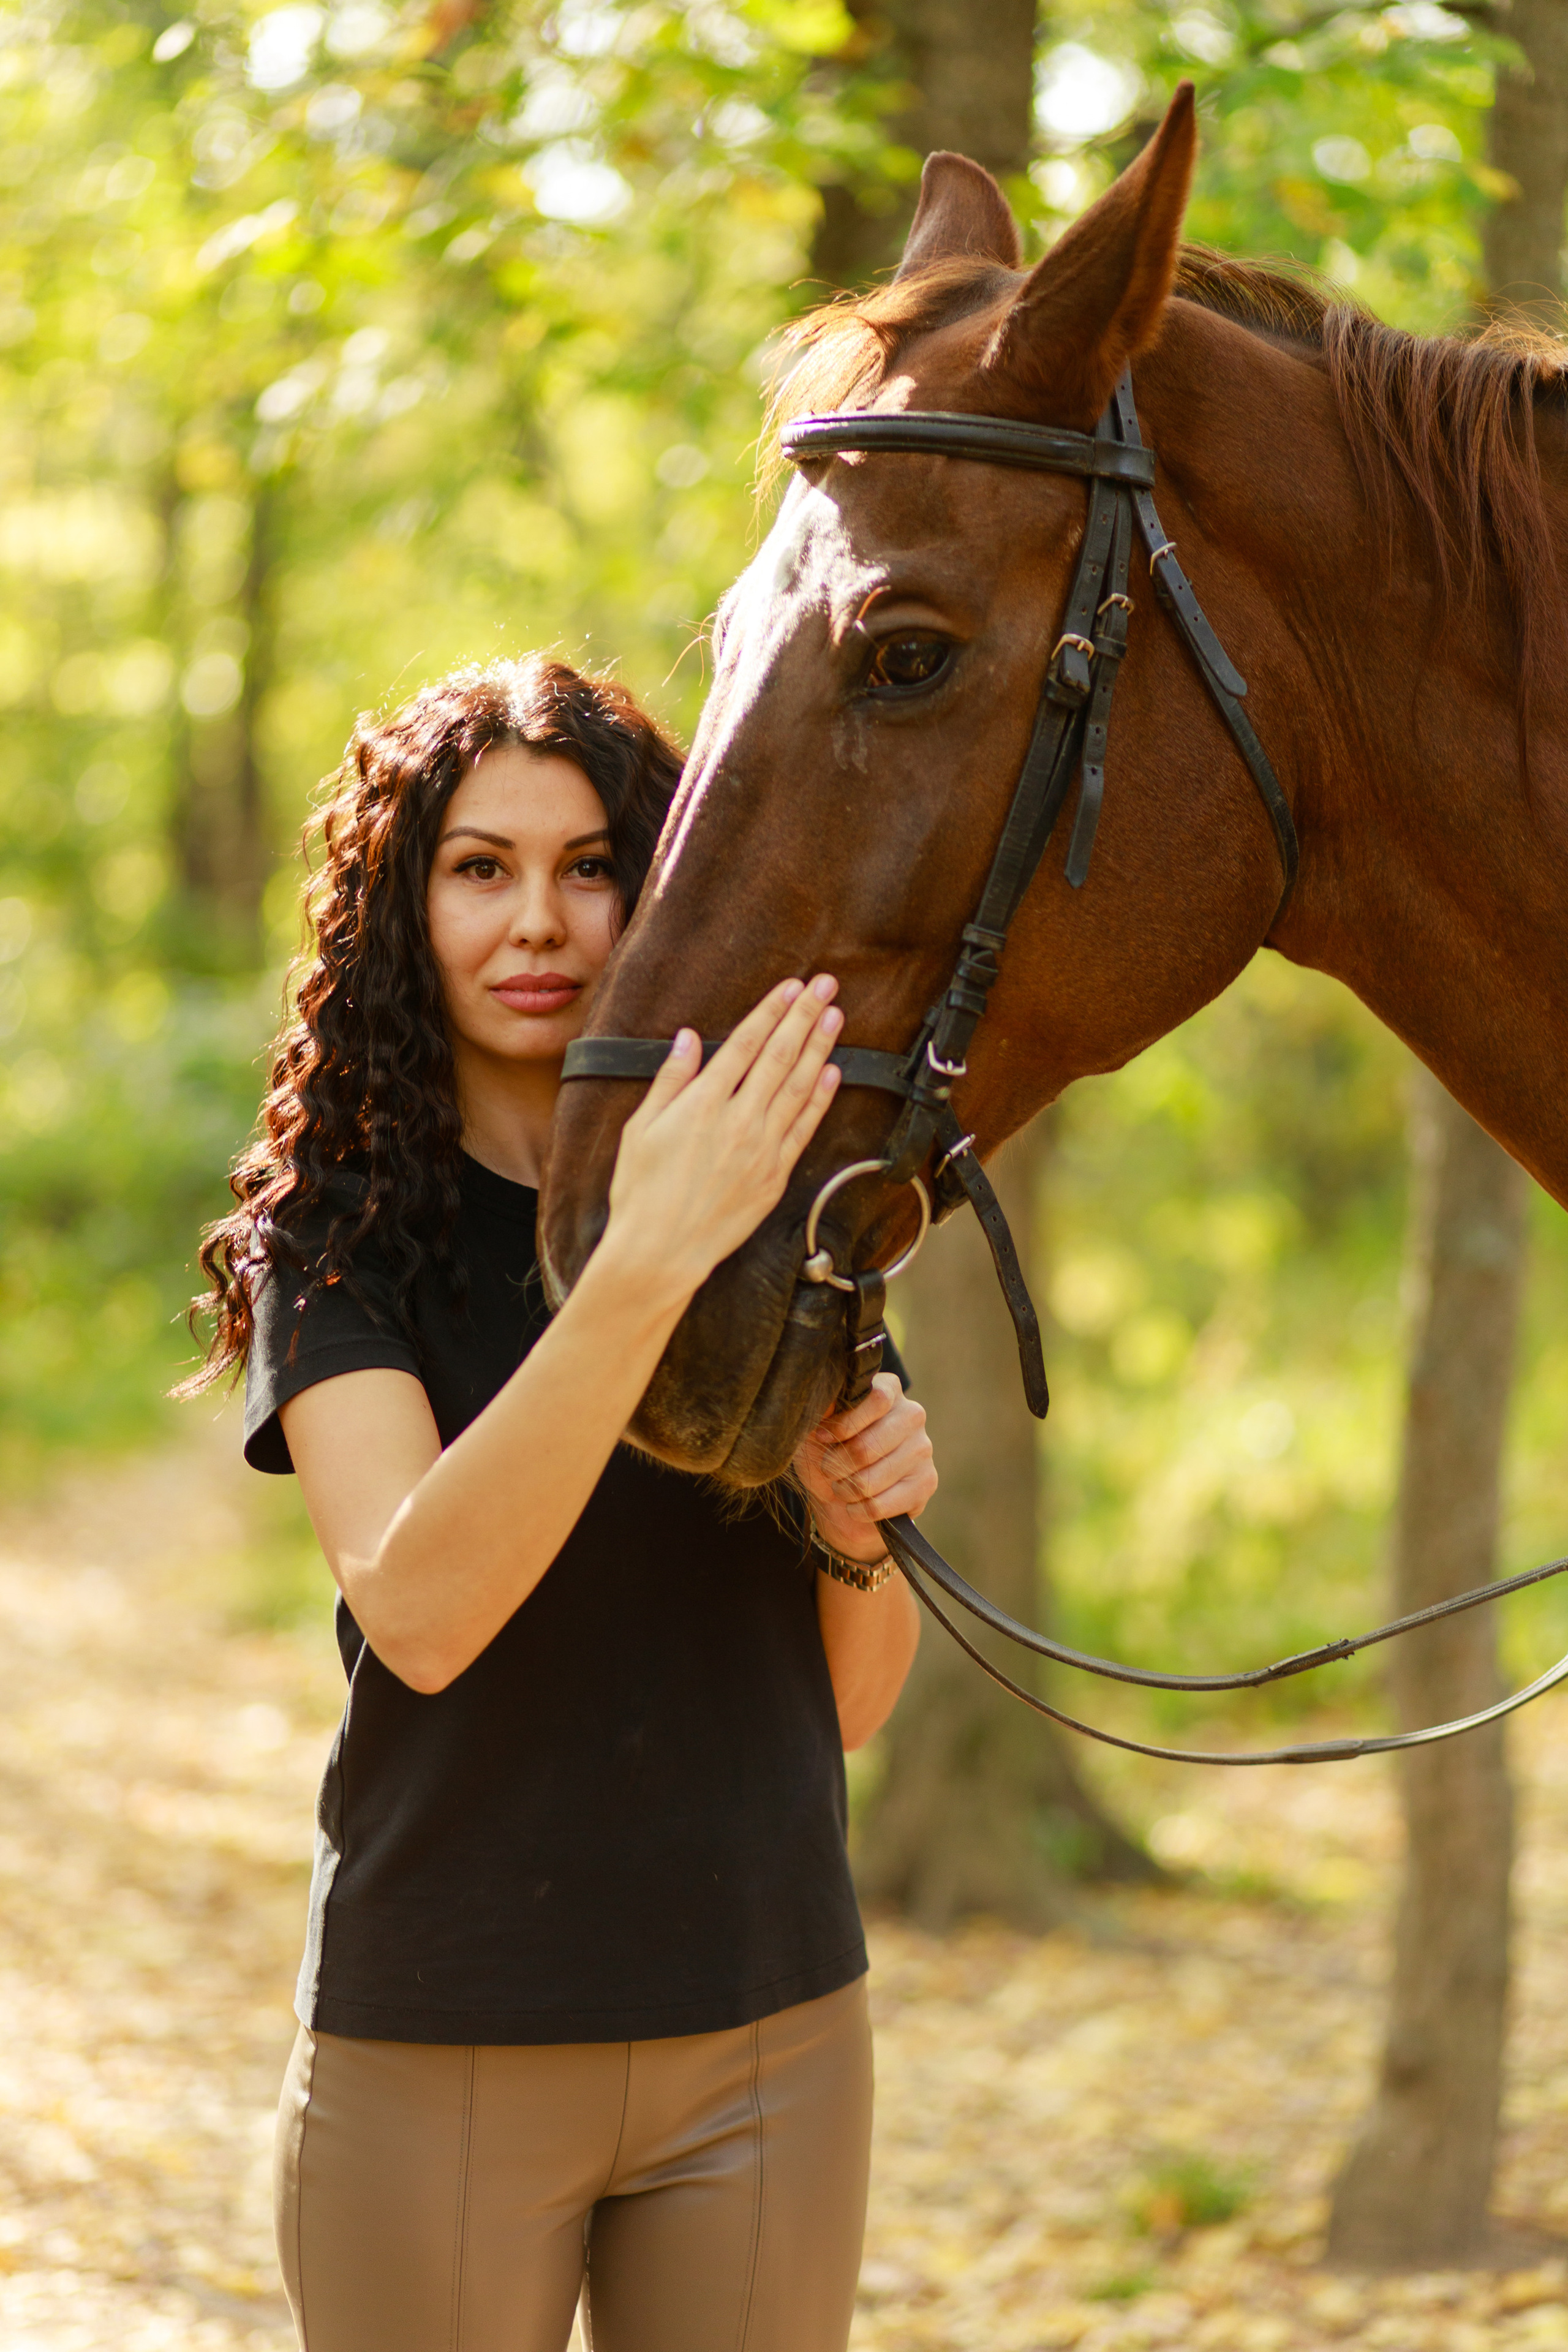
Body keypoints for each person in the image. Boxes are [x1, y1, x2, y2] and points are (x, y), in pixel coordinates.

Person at [185, 654, 937, 2352]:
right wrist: (643, 1260)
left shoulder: (781, 1208)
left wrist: (857, 1518)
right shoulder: (339, 1237)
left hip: (768, 2031)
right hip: (441, 2035)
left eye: (591, 865)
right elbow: (422, 1611)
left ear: (661, 886)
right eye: (481, 868)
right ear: (404, 906)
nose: (539, 921)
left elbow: (850, 1706)